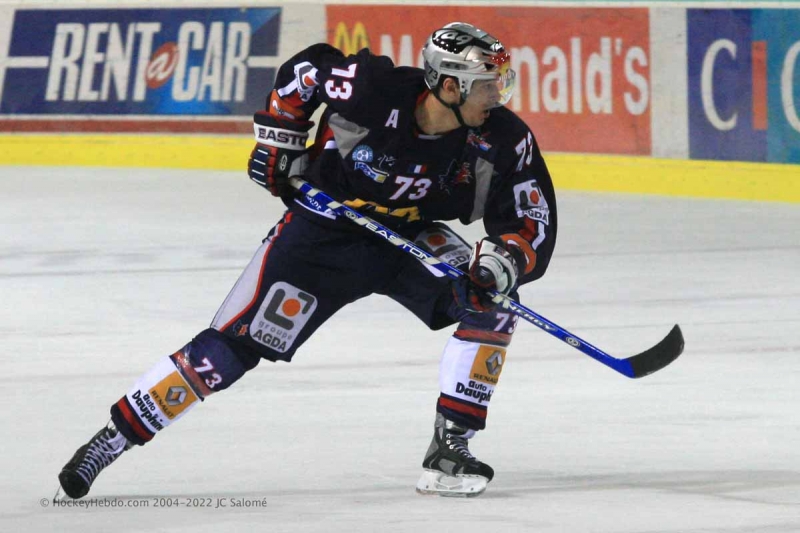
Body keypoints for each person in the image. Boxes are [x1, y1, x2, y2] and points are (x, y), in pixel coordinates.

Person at [57, 22, 557, 499]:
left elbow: (530, 217)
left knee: (492, 303)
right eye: (488, 85)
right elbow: (308, 72)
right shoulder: (372, 88)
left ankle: (451, 448)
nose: (499, 96)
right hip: (320, 235)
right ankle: (113, 438)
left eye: (500, 83)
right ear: (449, 85)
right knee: (227, 352)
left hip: (408, 234)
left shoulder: (502, 137)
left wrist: (501, 262)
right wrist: (280, 139)